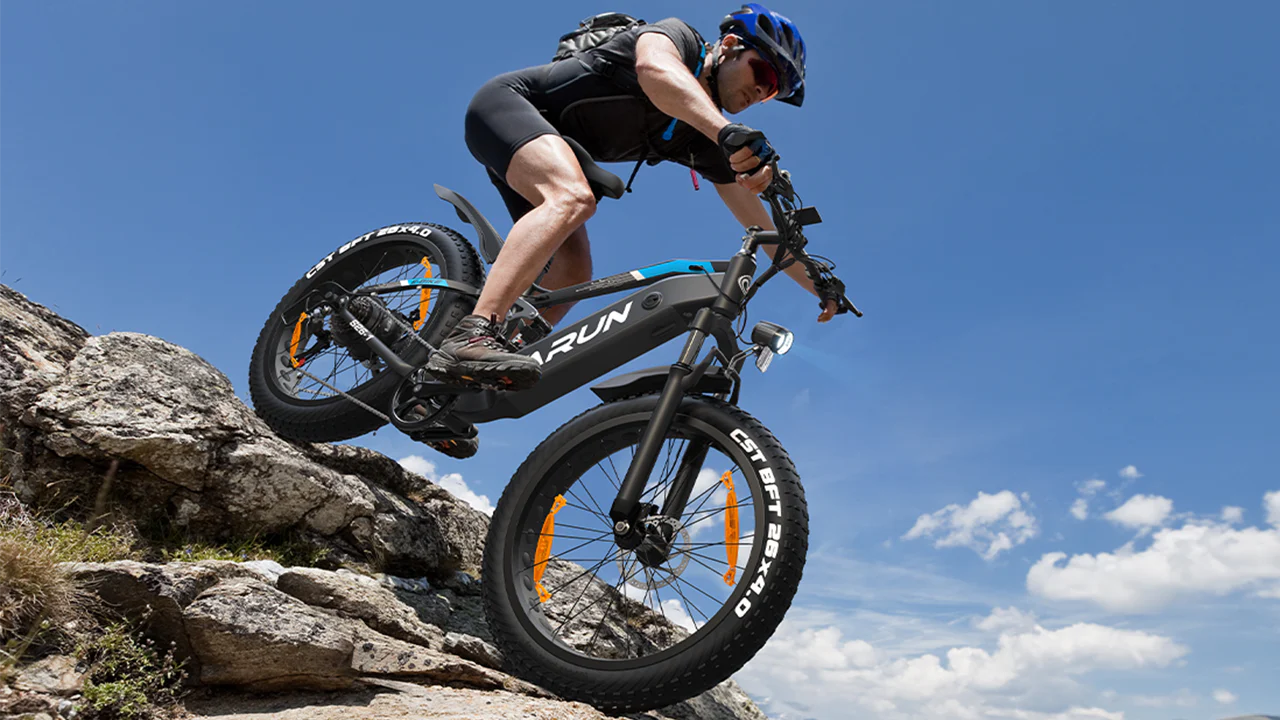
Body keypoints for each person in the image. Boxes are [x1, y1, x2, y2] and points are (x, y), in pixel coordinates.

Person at [426, 3, 837, 394]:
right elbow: (654, 71)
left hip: (553, 153)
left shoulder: (703, 138)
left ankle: (465, 379)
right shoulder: (679, 39)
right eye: (761, 71)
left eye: (771, 91)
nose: (760, 90)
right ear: (729, 46)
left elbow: (763, 229)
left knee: (573, 271)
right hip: (506, 107)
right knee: (573, 198)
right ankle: (473, 333)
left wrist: (819, 284)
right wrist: (725, 132)